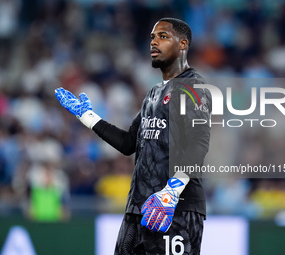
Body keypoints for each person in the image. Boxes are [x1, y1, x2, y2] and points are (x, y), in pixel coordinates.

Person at [55, 17, 211, 255]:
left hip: (175, 208)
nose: (154, 42)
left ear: (183, 44)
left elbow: (198, 144)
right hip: (139, 209)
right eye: (152, 37)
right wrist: (86, 116)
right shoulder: (154, 93)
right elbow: (129, 143)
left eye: (163, 36)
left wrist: (172, 192)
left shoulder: (193, 87)